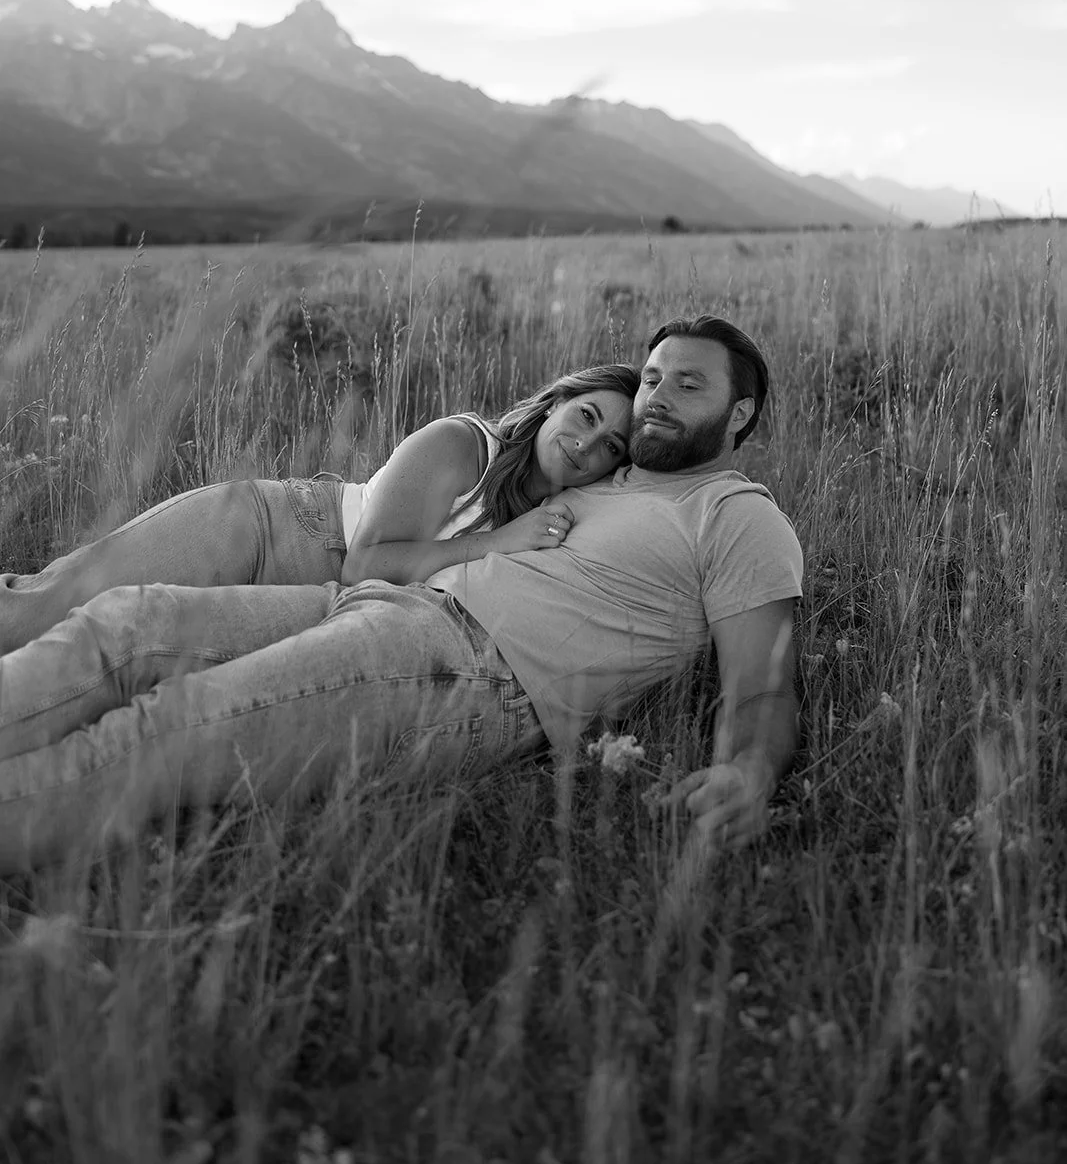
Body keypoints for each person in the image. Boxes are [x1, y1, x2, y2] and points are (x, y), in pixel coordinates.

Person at [0, 316, 804, 876]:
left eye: (687, 385)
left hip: (467, 669)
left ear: (739, 413)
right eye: (653, 376)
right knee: (128, 621)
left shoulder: (736, 515)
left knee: (167, 727)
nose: (657, 396)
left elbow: (762, 680)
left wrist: (747, 772)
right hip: (377, 603)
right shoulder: (608, 470)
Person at [0, 365, 639, 655]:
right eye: (585, 415)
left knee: (106, 657)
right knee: (45, 607)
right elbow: (368, 560)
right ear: (556, 402)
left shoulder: (560, 511)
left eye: (611, 444)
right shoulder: (463, 444)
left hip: (311, 603)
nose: (587, 445)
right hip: (270, 531)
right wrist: (499, 543)